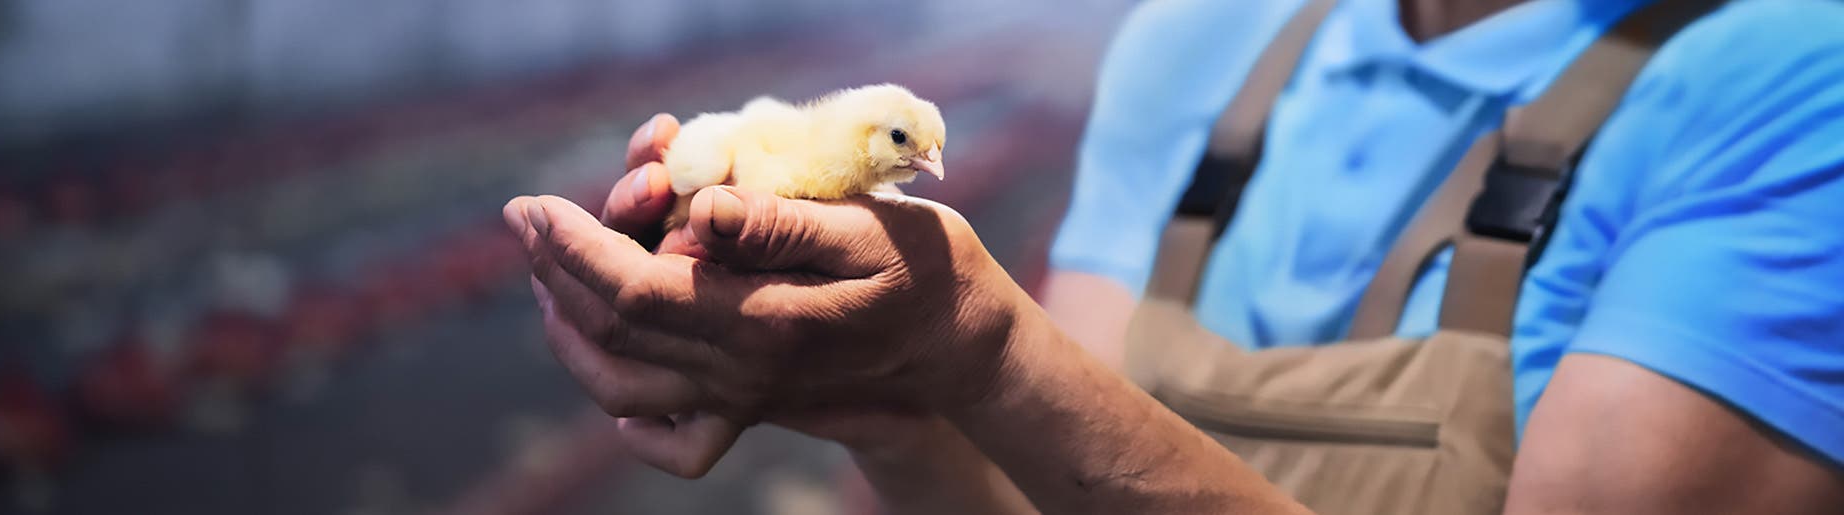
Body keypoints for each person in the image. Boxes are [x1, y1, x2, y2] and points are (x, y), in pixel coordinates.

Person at [502, 0, 1844, 512]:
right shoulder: (1198, 42)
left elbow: (1022, 385)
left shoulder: (1799, 79)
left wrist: (983, 343)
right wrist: (885, 405)